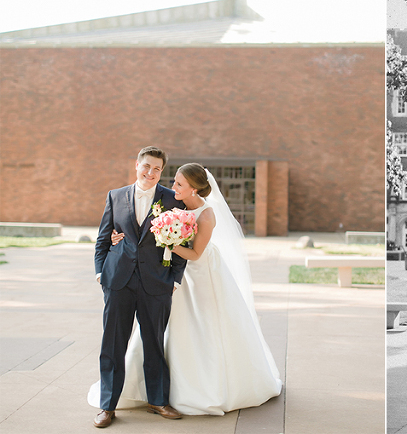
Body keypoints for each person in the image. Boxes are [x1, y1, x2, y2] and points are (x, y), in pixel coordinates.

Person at [88, 163, 282, 416]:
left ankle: (180, 394)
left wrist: (167, 240)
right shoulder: (171, 202)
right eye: (174, 181)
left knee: (191, 331)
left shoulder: (204, 213)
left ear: (193, 188)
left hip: (197, 274)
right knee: (157, 336)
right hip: (152, 278)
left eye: (179, 183)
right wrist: (118, 242)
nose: (172, 187)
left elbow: (196, 253)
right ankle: (116, 402)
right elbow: (134, 232)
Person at [92, 146, 187, 428]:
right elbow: (102, 240)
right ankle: (107, 406)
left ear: (162, 171)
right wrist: (100, 274)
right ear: (136, 165)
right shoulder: (115, 196)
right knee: (112, 345)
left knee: (155, 344)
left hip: (157, 284)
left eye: (157, 169)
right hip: (118, 282)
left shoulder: (173, 200)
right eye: (146, 166)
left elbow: (185, 243)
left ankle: (158, 400)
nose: (150, 173)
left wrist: (175, 280)